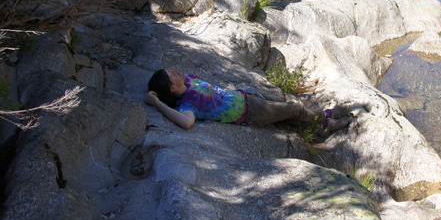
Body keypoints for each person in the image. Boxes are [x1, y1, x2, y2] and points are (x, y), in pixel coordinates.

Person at [144, 69, 351, 137]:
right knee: (293, 108)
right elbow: (187, 123)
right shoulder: (187, 106)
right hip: (251, 114)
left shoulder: (188, 79)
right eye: (170, 74)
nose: (174, 71)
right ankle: (325, 122)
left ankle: (318, 118)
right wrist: (156, 102)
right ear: (171, 88)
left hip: (248, 98)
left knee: (289, 108)